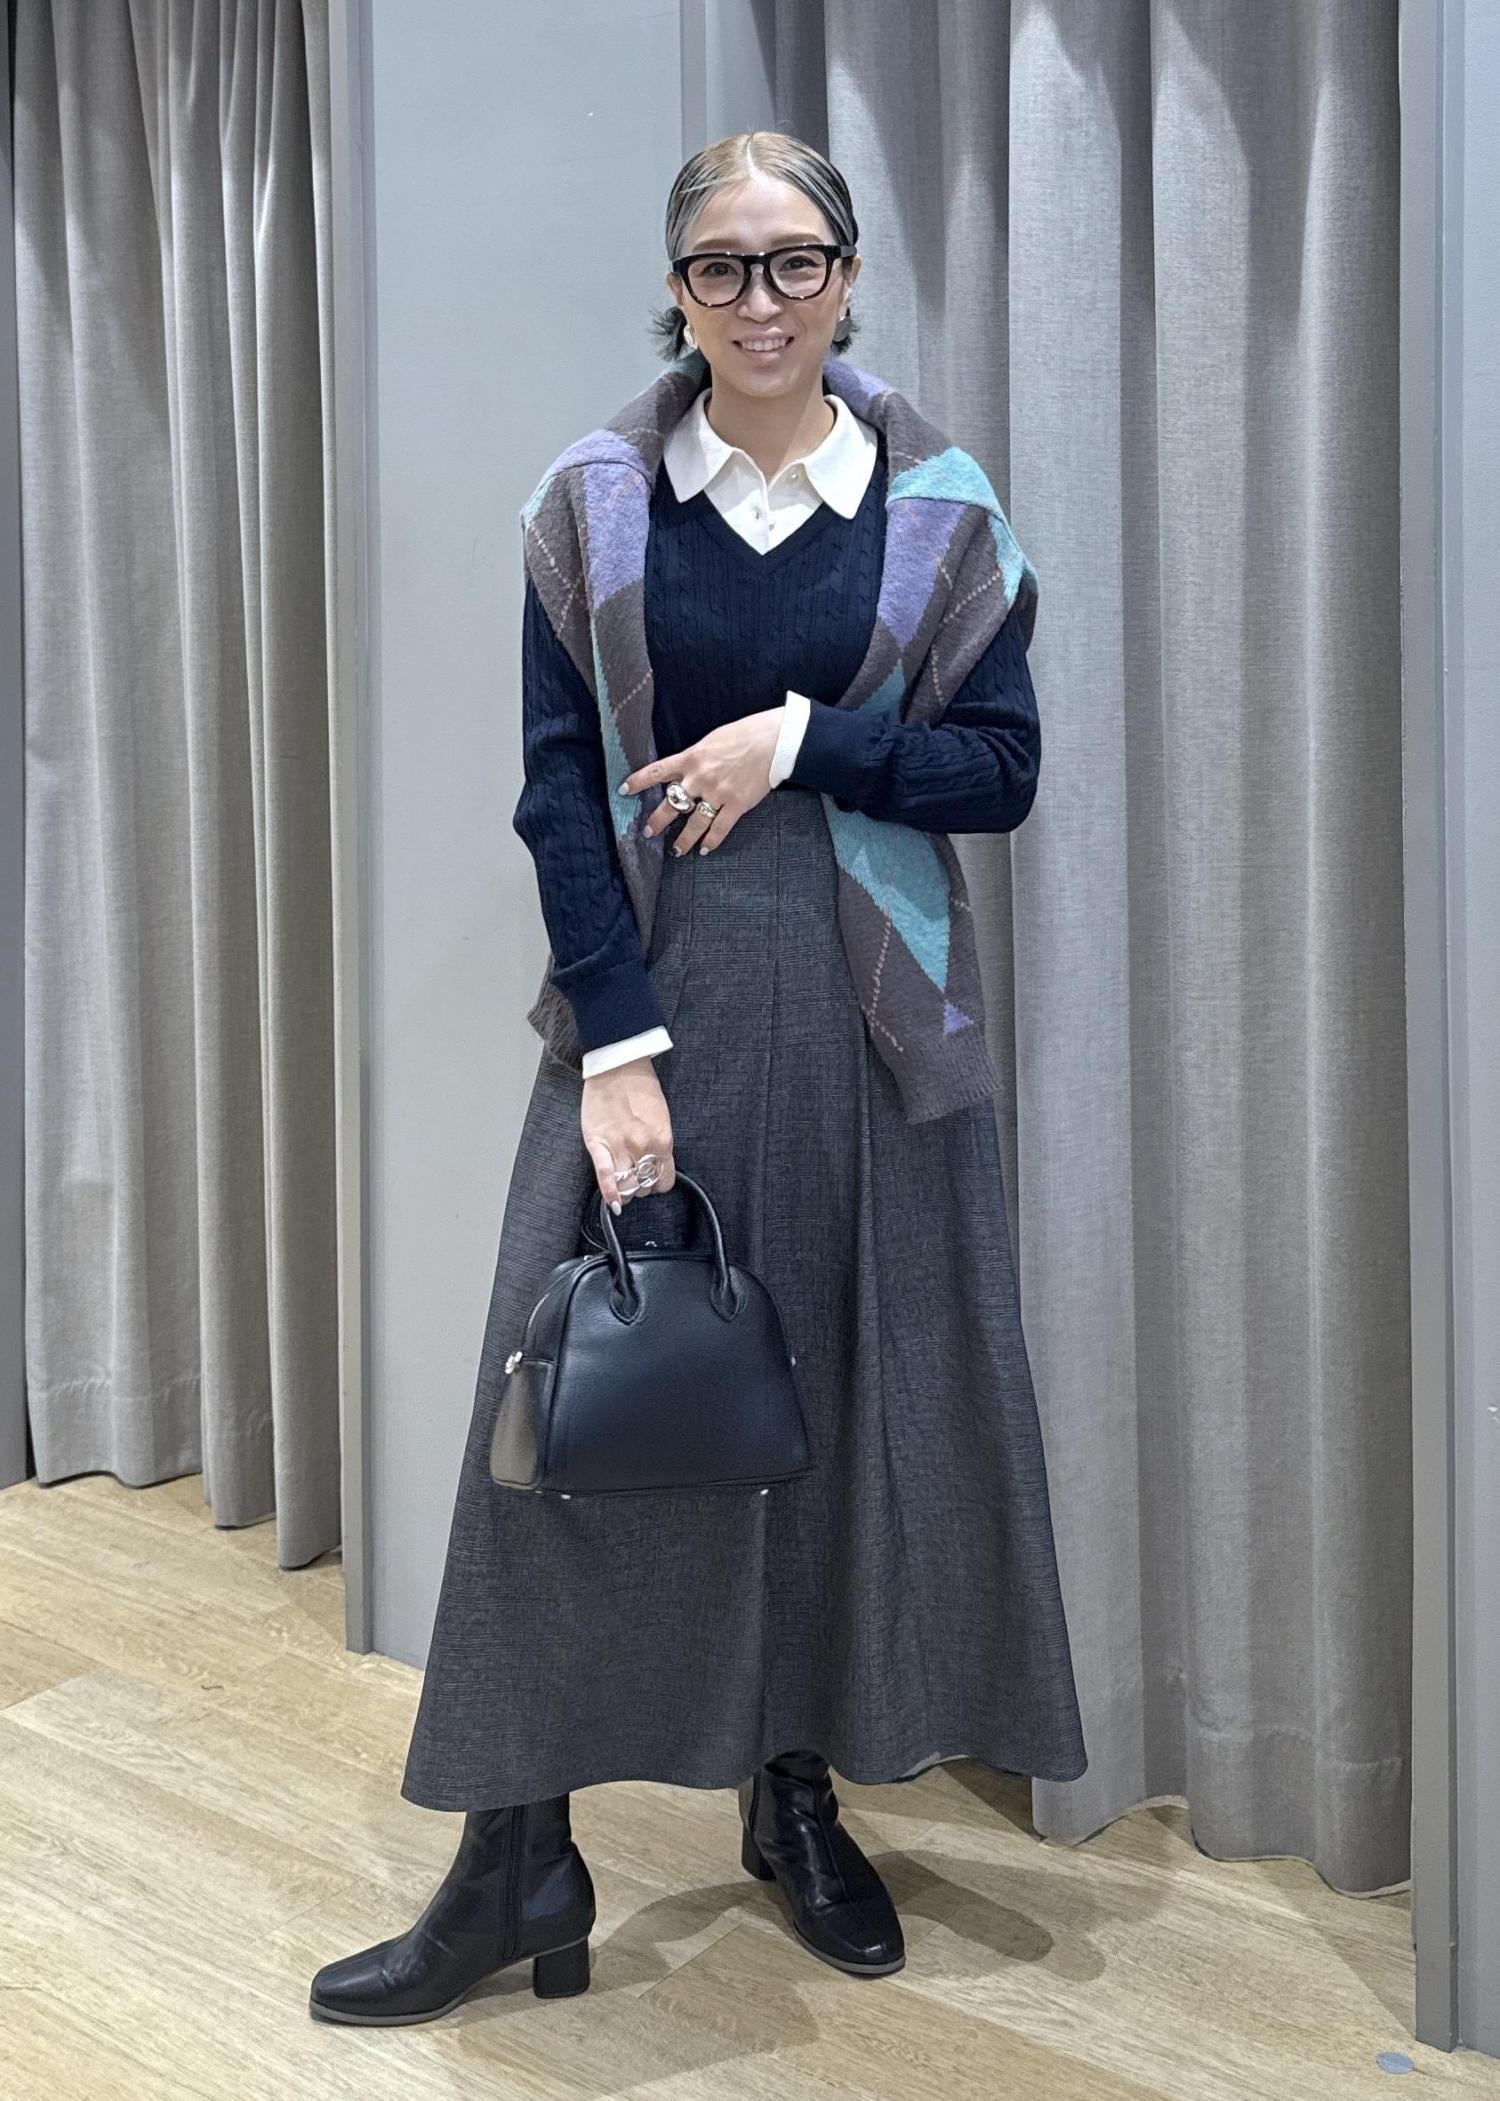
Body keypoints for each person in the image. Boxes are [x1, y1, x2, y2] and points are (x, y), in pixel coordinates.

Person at [309, 128, 1086, 2028]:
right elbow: (558, 788)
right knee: (560, 1420)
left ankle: (790, 1789)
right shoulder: (592, 502)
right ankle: (514, 1857)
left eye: (796, 259)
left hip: (870, 1013)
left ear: (849, 279)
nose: (762, 297)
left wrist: (800, 739)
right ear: (677, 289)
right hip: (651, 1001)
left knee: (824, 1401)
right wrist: (617, 1044)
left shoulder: (942, 505)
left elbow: (999, 769)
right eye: (723, 266)